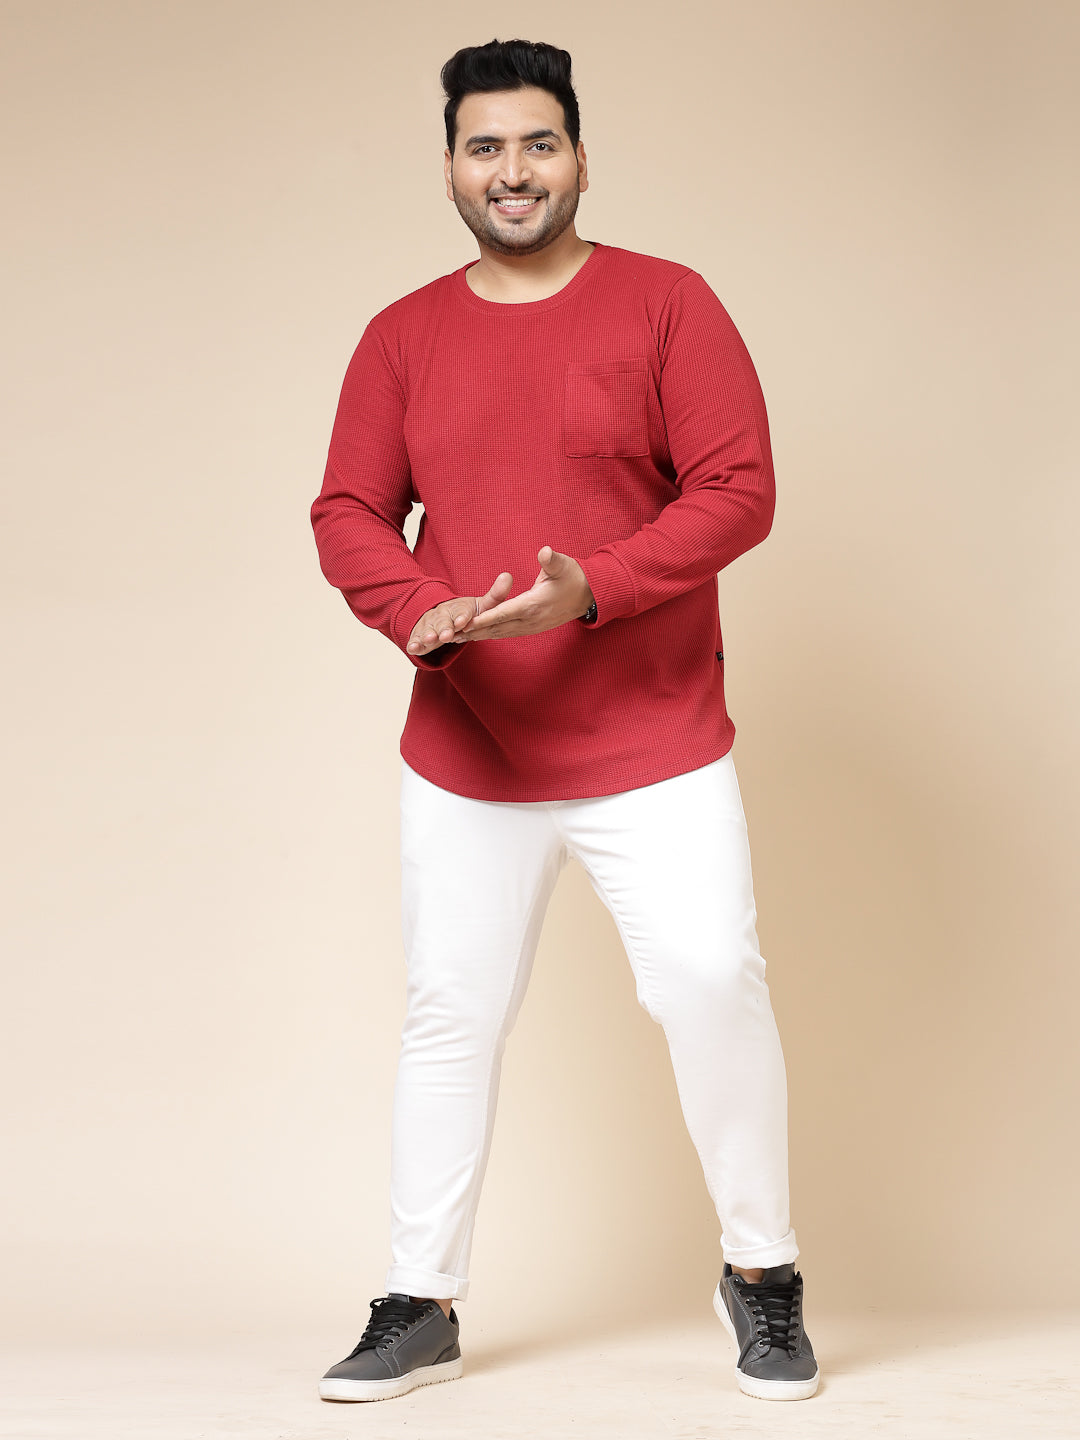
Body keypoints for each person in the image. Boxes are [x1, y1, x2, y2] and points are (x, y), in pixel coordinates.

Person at [309, 37, 818, 1405]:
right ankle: (420, 1298)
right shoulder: (401, 337)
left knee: (710, 980)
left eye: (538, 143)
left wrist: (596, 587)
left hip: (653, 740)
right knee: (451, 1013)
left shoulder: (669, 305)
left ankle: (763, 1273)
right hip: (469, 751)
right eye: (485, 147)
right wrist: (414, 606)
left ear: (581, 158)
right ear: (451, 169)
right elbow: (348, 510)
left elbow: (738, 489)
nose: (513, 170)